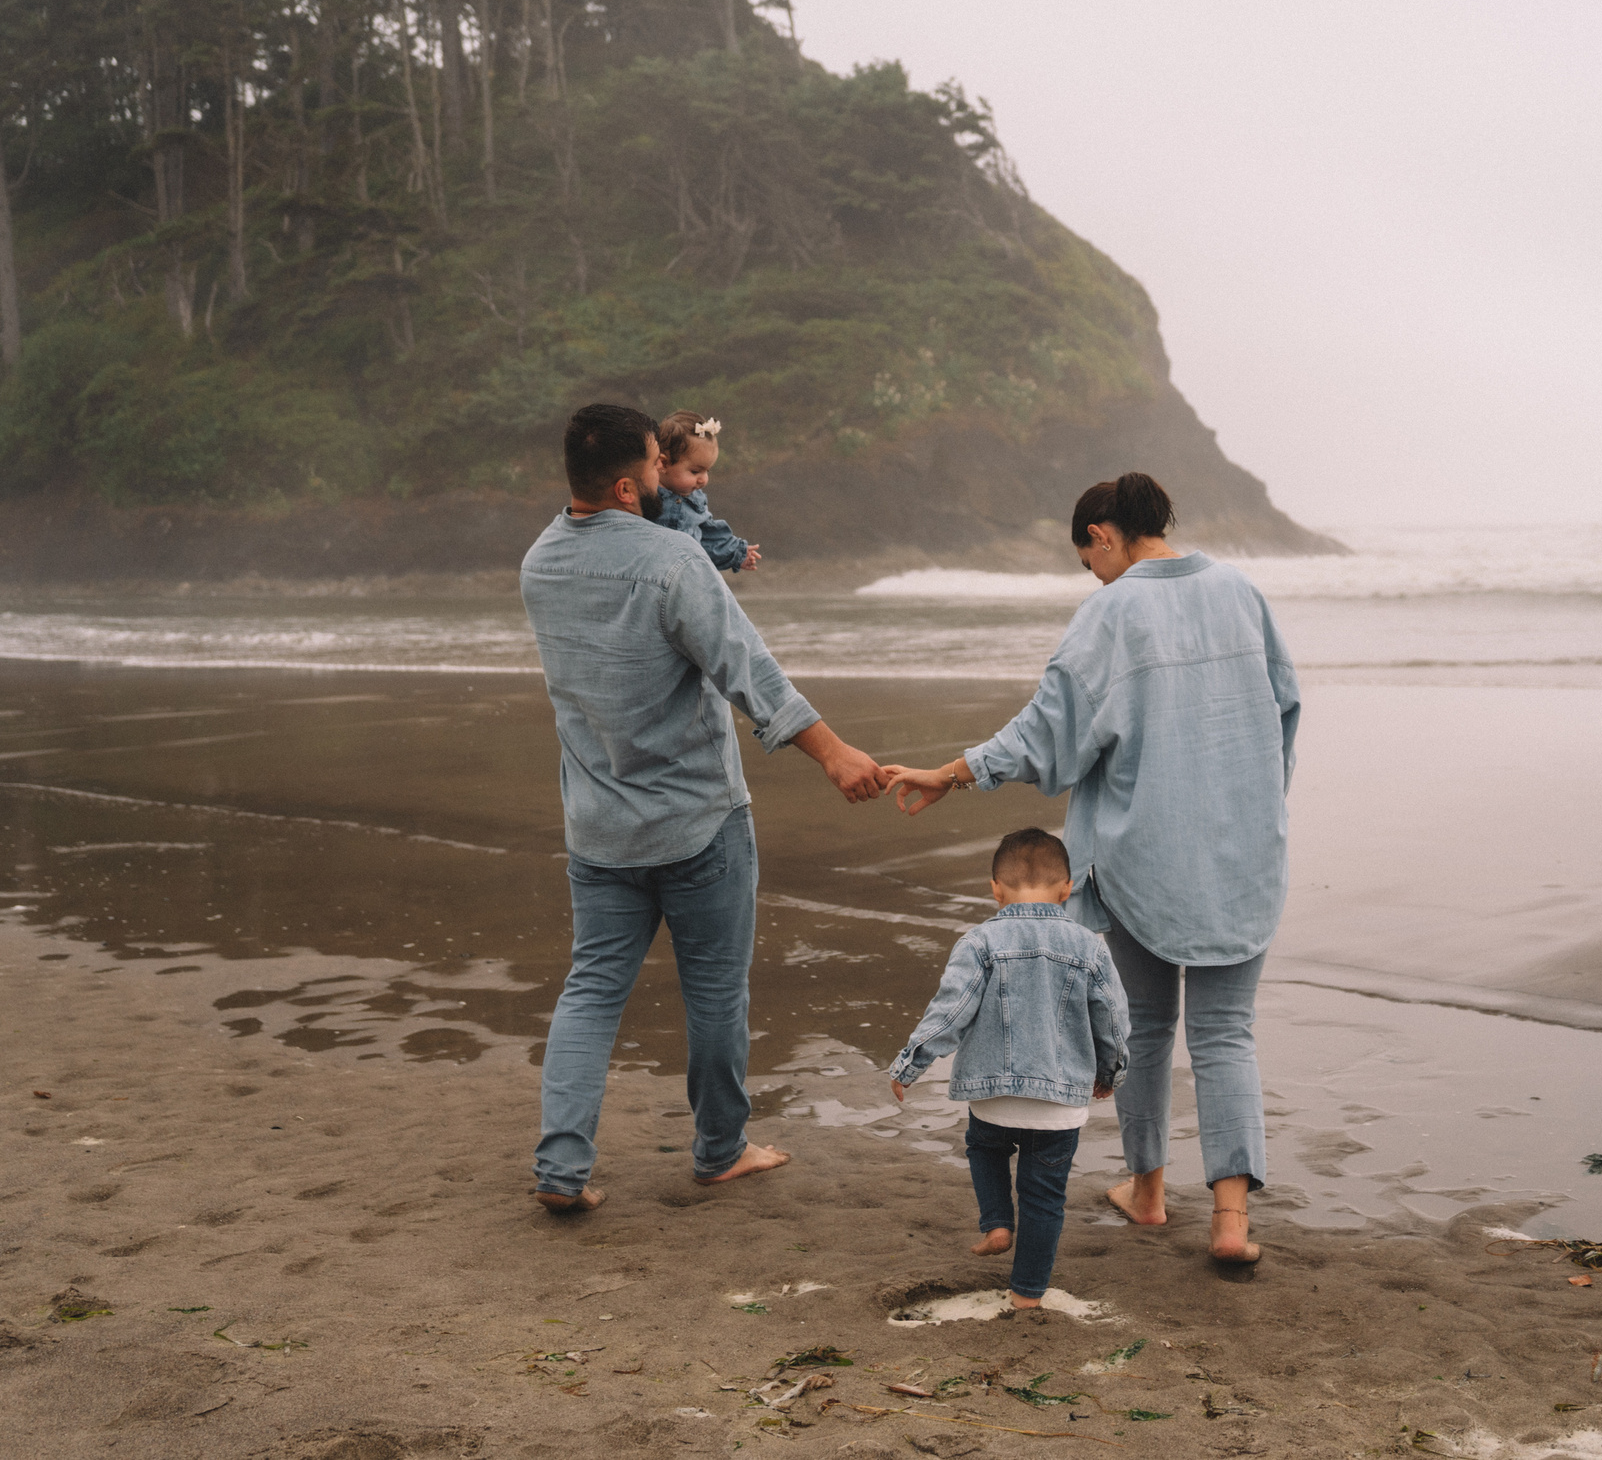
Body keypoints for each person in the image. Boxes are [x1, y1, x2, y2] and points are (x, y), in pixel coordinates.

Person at [883, 473, 1300, 1264]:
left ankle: (1147, 1192)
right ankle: (1231, 1222)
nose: (1093, 575)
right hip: (1244, 852)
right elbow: (1284, 709)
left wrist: (953, 771)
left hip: (1141, 853)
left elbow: (1048, 727)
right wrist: (1258, 809)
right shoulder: (1242, 590)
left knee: (1145, 1027)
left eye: (1088, 560)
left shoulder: (1112, 610)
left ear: (1104, 535)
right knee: (1225, 1033)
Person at [519, 402, 888, 1213]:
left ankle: (561, 1165)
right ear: (625, 485)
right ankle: (720, 1150)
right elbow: (747, 670)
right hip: (698, 819)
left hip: (600, 825)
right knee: (716, 993)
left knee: (590, 990)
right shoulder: (671, 561)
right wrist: (835, 755)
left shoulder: (538, 563)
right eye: (657, 465)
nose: (669, 477)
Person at [888, 828, 1130, 1307]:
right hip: (1059, 1104)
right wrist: (1112, 1072)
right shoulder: (1090, 946)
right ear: (1068, 889)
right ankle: (1026, 1296)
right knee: (1044, 1197)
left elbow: (951, 1011)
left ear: (995, 889)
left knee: (983, 1147)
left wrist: (910, 1063)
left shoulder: (979, 942)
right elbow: (1113, 1018)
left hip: (993, 1097)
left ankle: (997, 1222)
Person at [653, 409, 759, 574]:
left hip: (686, 574)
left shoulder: (695, 499)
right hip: (651, 574)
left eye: (707, 471)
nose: (703, 480)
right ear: (664, 464)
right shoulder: (645, 494)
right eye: (695, 472)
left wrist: (736, 553)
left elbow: (709, 535)